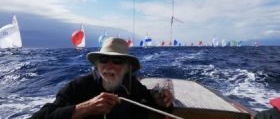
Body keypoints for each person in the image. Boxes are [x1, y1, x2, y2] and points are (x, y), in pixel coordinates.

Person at [30, 37, 174, 119]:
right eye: (104, 59)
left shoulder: (133, 87)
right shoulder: (78, 87)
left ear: (127, 68)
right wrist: (85, 108)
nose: (109, 66)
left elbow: (154, 104)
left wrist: (162, 100)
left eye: (117, 61)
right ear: (97, 64)